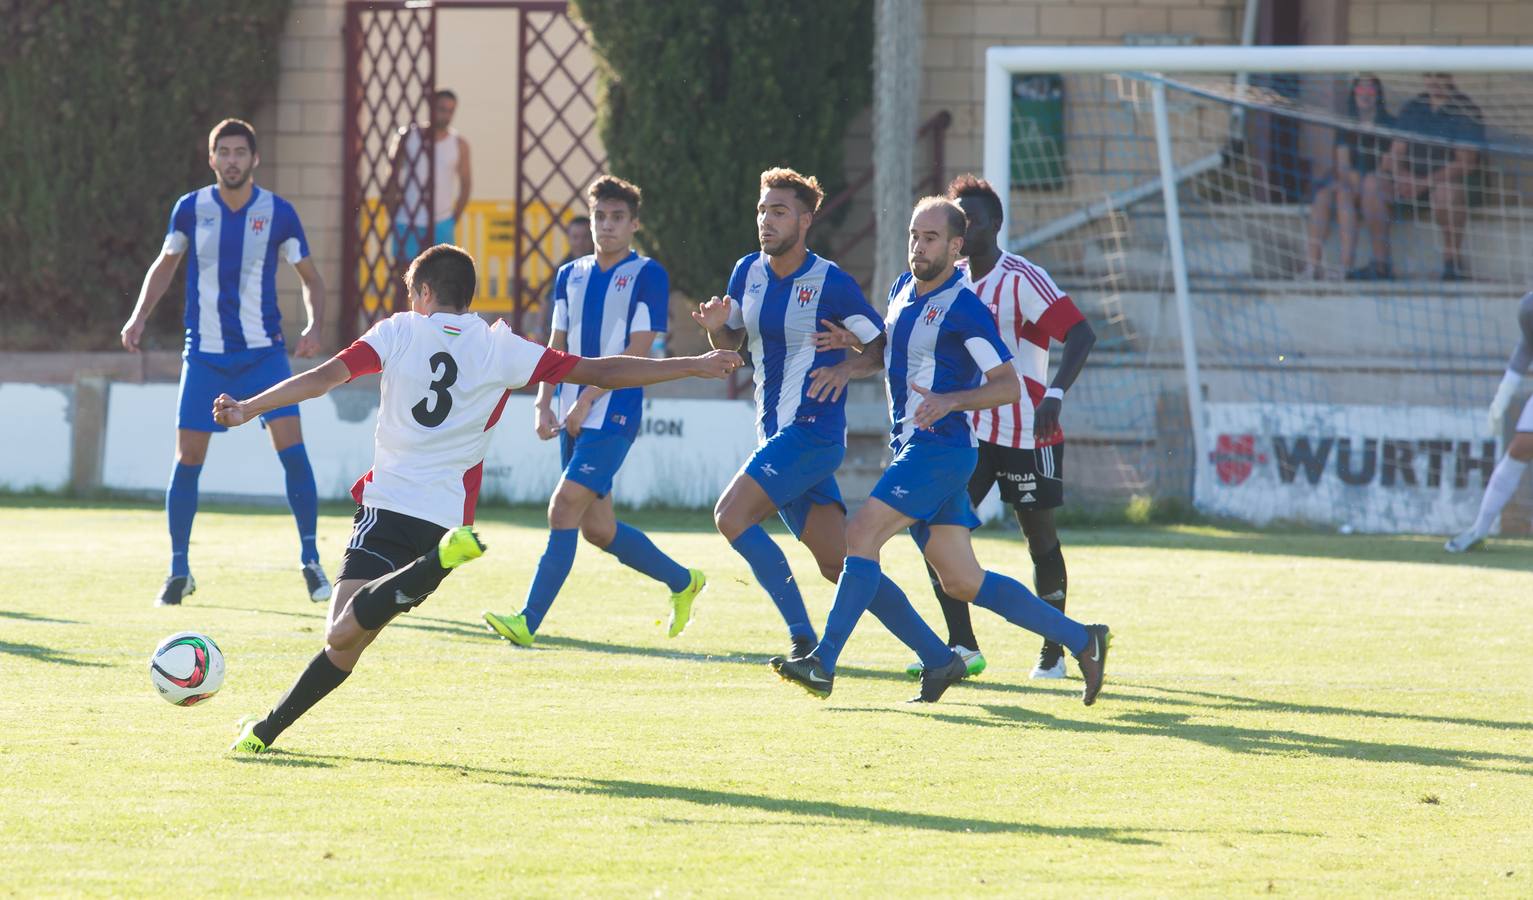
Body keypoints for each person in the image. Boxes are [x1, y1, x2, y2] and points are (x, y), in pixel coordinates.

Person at [226, 243, 742, 753]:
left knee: (340, 633)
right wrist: (693, 364)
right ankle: (266, 732)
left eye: (412, 295)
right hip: (445, 521)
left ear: (423, 293)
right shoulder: (502, 347)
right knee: (349, 643)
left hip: (389, 506)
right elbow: (604, 371)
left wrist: (250, 407)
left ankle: (426, 570)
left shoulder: (399, 331)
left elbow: (322, 380)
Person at [770, 198, 1110, 705]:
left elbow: (1007, 385)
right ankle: (1081, 639)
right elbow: (890, 353)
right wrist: (850, 361)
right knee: (963, 580)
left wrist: (951, 400)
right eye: (913, 235)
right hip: (917, 447)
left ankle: (823, 662)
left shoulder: (965, 307)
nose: (918, 246)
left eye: (930, 238)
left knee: (859, 535)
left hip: (941, 449)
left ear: (956, 247)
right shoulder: (902, 289)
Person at [482, 177, 705, 647]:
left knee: (562, 508)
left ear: (634, 224)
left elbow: (640, 348)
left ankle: (527, 621)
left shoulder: (648, 274)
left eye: (617, 218)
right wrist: (543, 401)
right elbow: (555, 346)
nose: (607, 226)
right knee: (599, 529)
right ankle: (684, 581)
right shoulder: (570, 274)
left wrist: (585, 399)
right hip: (569, 412)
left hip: (614, 412)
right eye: (600, 216)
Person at [119, 118, 331, 607]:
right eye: (224, 152)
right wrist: (138, 318)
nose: (232, 160)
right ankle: (178, 571)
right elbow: (165, 264)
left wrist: (314, 325)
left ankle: (311, 561)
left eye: (241, 152)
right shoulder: (191, 209)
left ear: (254, 159)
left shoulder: (278, 213)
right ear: (211, 159)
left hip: (264, 354)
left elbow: (311, 278)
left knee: (292, 451)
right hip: (207, 355)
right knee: (188, 459)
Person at [901, 174, 1097, 682]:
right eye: (957, 219)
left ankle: (1055, 651)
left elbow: (1081, 333)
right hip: (968, 431)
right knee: (934, 531)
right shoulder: (951, 278)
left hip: (1028, 429)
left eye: (972, 218)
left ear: (994, 225)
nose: (963, 226)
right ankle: (962, 646)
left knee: (1039, 539)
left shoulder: (1021, 277)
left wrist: (1054, 394)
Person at [690, 167, 887, 660]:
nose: (765, 220)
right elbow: (733, 343)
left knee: (730, 516)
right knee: (838, 564)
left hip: (811, 433)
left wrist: (846, 369)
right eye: (762, 210)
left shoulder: (830, 282)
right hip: (774, 434)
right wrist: (717, 330)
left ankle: (802, 636)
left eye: (778, 211)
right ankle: (937, 655)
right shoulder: (746, 271)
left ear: (805, 221)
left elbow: (882, 347)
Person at [1355, 73, 1484, 282]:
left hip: (1447, 186)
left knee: (1446, 193)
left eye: (1440, 76)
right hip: (1411, 183)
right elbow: (1395, 152)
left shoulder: (1465, 109)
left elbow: (1466, 162)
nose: (1434, 81)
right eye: (1429, 76)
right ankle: (1380, 265)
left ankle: (1452, 264)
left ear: (1451, 76)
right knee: (1372, 183)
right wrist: (1404, 177)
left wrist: (1424, 182)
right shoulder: (1414, 107)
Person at [1446, 291, 1533, 552]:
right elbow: (1523, 355)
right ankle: (1479, 529)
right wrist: (1500, 402)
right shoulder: (1530, 308)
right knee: (1520, 448)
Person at [1302, 76, 1394, 280]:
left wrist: (1362, 184)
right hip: (1351, 185)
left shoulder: (1389, 124)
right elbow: (1342, 166)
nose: (1365, 95)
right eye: (1360, 90)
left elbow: (1387, 166)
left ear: (1378, 95)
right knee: (1325, 196)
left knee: (1358, 190)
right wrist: (1351, 184)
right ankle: (1312, 266)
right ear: (1354, 94)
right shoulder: (1346, 126)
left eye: (1371, 90)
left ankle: (1345, 266)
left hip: (1377, 188)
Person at [388, 89, 473, 263]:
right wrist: (393, 211)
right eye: (442, 109)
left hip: (441, 220)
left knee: (441, 275)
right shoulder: (408, 136)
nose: (446, 115)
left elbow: (466, 184)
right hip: (407, 217)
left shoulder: (458, 144)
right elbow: (392, 176)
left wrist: (452, 218)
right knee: (404, 276)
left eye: (450, 111)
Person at [534, 215, 595, 344]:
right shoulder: (564, 268)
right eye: (575, 237)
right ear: (569, 239)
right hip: (563, 338)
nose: (580, 242)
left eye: (585, 237)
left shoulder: (601, 267)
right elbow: (547, 298)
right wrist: (539, 329)